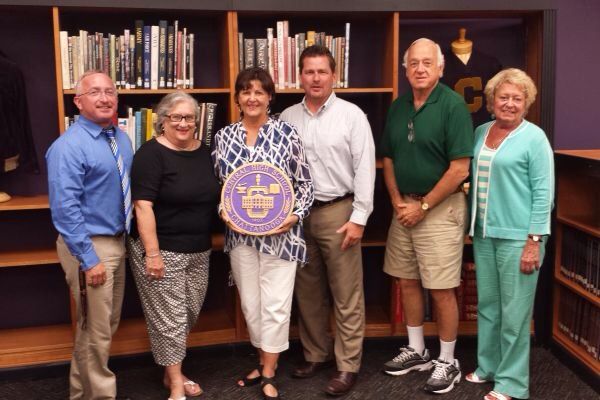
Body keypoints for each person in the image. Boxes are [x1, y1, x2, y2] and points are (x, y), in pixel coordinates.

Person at [280, 45, 376, 396]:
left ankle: (348, 365)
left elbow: (365, 168)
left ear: (334, 75)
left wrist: (359, 218)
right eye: (309, 71)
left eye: (322, 71)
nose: (315, 78)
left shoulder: (352, 115)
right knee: (307, 292)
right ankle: (315, 354)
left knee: (346, 294)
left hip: (340, 212)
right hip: (300, 214)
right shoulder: (288, 117)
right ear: (300, 76)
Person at [213, 67, 313, 400]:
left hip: (281, 237)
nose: (252, 97)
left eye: (259, 91)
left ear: (270, 97)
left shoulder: (287, 133)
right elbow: (220, 187)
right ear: (238, 98)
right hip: (240, 237)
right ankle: (262, 358)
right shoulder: (224, 137)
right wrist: (223, 211)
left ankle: (269, 371)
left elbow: (305, 184)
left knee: (276, 305)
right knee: (252, 306)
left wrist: (295, 214)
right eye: (245, 91)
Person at [380, 38, 473, 394]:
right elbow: (388, 157)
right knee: (406, 281)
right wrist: (397, 201)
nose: (419, 69)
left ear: (440, 67)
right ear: (405, 69)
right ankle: (417, 350)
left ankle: (447, 360)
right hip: (404, 207)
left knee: (441, 287)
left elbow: (459, 168)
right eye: (413, 63)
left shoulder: (452, 106)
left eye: (426, 63)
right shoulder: (399, 105)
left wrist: (424, 206)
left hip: (439, 209)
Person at [465, 68, 554, 400]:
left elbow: (544, 194)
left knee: (516, 313)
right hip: (484, 234)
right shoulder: (480, 132)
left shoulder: (535, 138)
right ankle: (488, 367)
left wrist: (534, 240)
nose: (510, 104)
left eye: (518, 98)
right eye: (503, 97)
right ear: (491, 101)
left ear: (526, 103)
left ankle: (512, 383)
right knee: (489, 305)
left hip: (520, 239)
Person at [46, 70, 133, 400]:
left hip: (117, 242)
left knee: (101, 327)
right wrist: (88, 259)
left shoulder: (120, 139)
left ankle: (81, 394)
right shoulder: (68, 147)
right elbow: (65, 210)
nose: (104, 98)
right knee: (97, 332)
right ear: (78, 101)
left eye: (109, 91)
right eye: (94, 92)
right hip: (89, 246)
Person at [127, 91, 220, 400]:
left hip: (199, 249)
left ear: (197, 121)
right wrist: (152, 254)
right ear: (162, 121)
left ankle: (171, 373)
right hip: (161, 250)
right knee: (170, 319)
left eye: (189, 118)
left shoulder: (206, 152)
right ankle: (176, 383)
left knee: (188, 313)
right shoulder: (150, 154)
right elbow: (142, 206)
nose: (183, 123)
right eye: (176, 117)